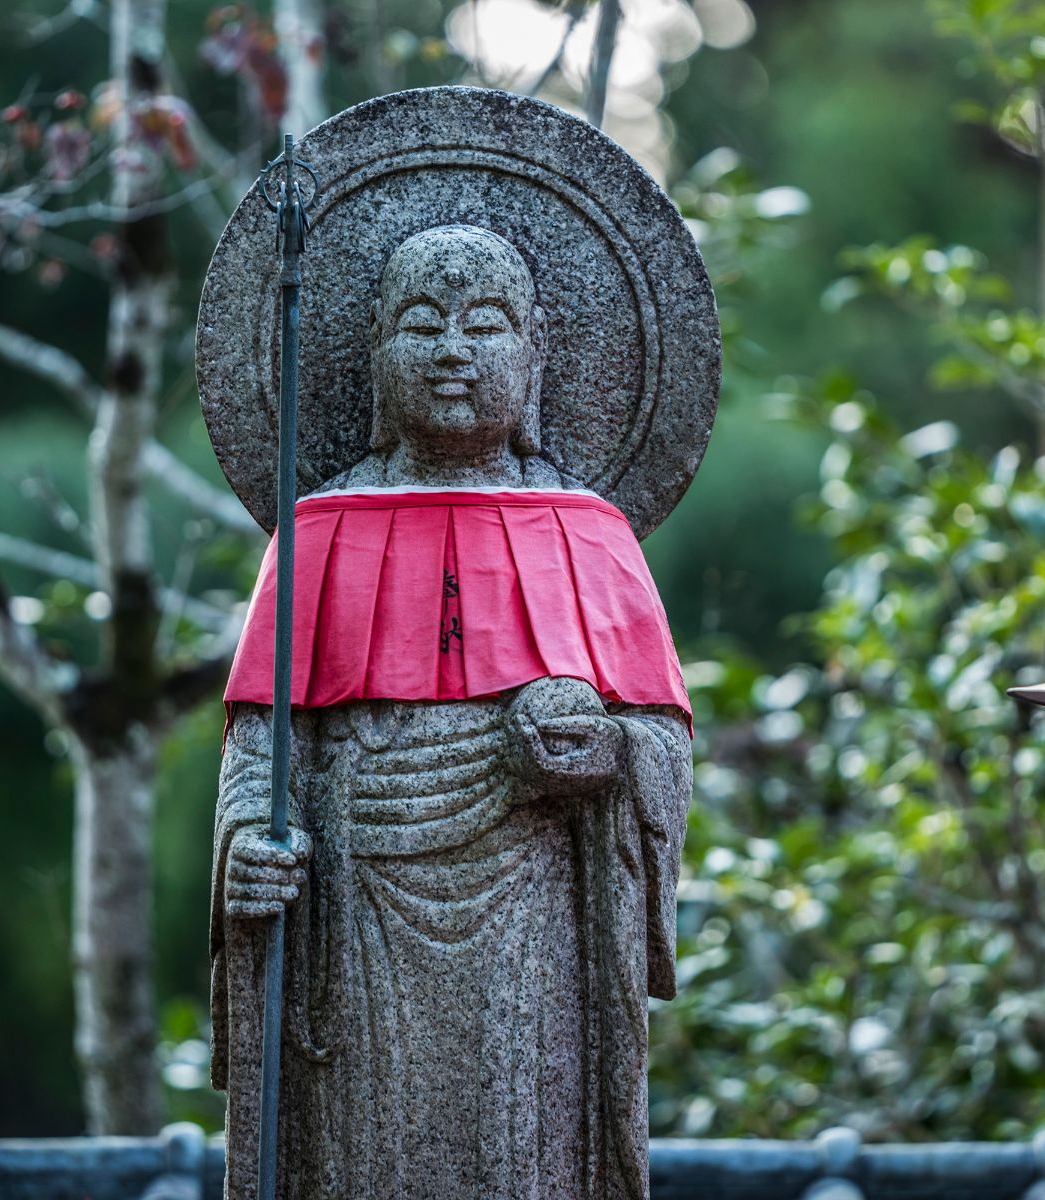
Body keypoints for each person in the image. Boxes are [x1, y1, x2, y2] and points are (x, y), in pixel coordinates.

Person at [211, 225, 693, 1200]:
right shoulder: (322, 535)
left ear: (537, 350)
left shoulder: (589, 536)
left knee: (524, 1156)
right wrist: (243, 848)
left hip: (537, 918)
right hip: (356, 919)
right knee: (358, 1160)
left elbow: (663, 750)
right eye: (422, 327)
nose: (453, 354)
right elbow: (260, 749)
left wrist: (600, 752)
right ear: (377, 352)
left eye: (485, 326)